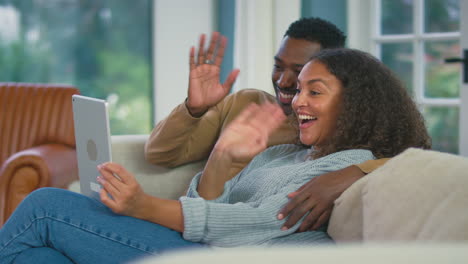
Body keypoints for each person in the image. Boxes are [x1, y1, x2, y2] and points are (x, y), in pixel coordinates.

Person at [0, 48, 431, 264]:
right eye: (298, 89)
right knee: (41, 258)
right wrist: (223, 158)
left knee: (44, 207)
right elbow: (207, 211)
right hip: (199, 247)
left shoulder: (344, 164)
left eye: (313, 91)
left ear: (356, 104)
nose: (296, 100)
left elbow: (255, 227)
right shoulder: (282, 153)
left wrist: (142, 205)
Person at [145, 17, 386, 231]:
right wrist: (194, 109)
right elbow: (160, 154)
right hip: (192, 217)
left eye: (299, 71)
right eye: (278, 66)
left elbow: (407, 159)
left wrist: (356, 172)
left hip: (232, 233)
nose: (283, 80)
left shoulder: (333, 133)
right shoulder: (246, 104)